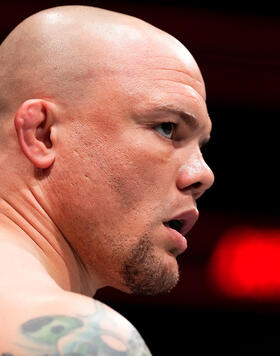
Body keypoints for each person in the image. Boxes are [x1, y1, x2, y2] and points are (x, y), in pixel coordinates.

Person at [0, 4, 214, 355]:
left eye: (201, 145)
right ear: (42, 133)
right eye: (167, 128)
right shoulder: (79, 335)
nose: (203, 174)